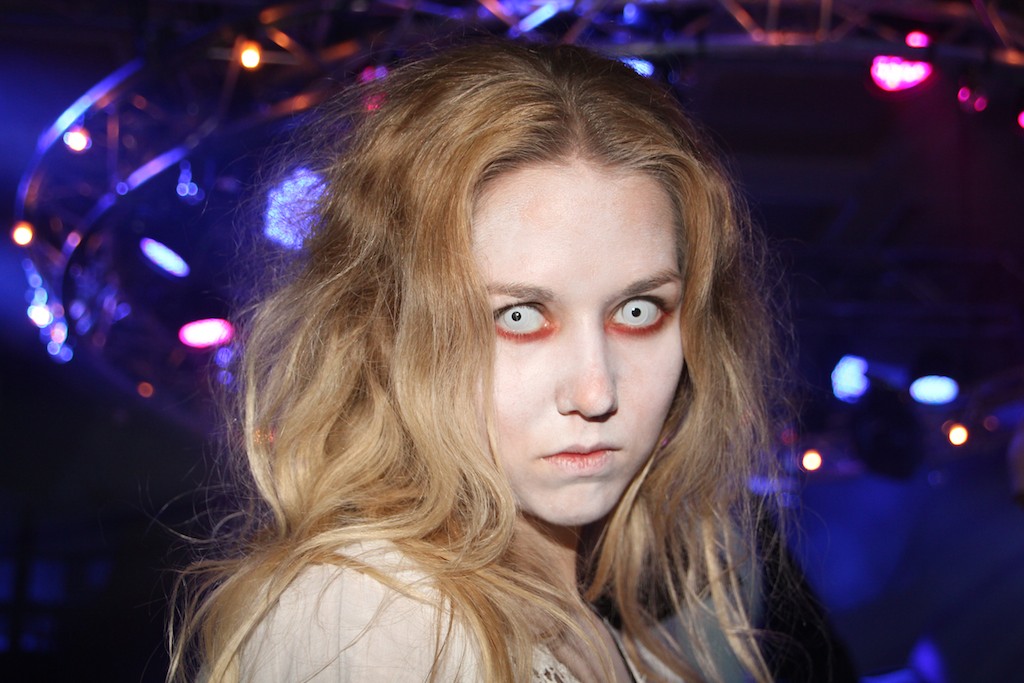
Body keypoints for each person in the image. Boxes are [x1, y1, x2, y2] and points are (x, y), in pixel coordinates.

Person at [169, 38, 789, 683]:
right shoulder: (374, 616)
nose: (596, 392)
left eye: (637, 311)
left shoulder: (616, 635)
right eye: (519, 316)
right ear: (390, 333)